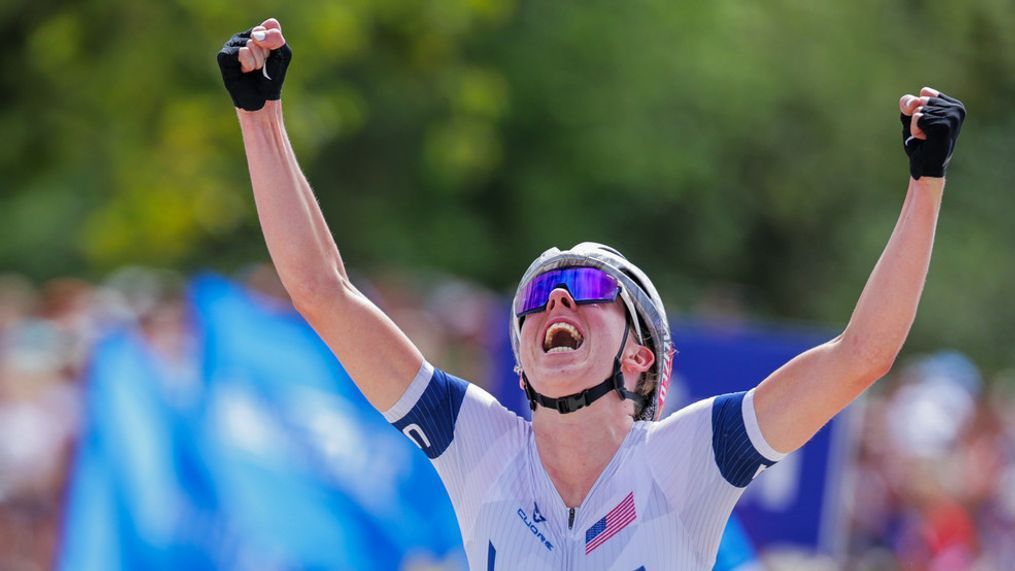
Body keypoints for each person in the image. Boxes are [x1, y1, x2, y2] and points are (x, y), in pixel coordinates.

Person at [217, 18, 966, 570]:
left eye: (583, 289)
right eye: (537, 299)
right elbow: (320, 292)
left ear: (641, 356)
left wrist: (924, 184)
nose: (555, 306)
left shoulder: (685, 458)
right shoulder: (477, 445)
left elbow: (861, 354)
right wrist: (261, 119)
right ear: (518, 359)